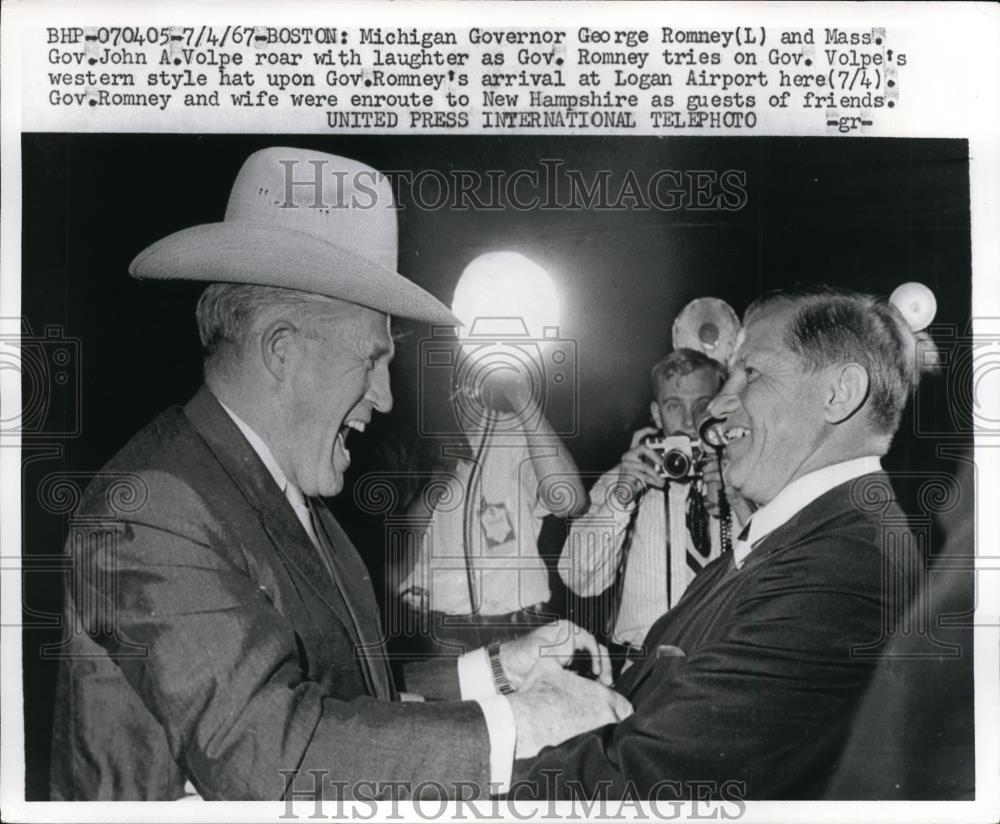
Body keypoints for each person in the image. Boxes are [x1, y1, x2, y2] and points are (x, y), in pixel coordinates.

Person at [48, 147, 631, 801]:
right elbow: (266, 753)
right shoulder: (151, 508)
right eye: (372, 359)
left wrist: (493, 672)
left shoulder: (300, 507)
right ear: (283, 351)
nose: (384, 397)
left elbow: (347, 703)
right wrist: (519, 724)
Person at [513, 286, 929, 799]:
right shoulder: (800, 534)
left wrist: (474, 762)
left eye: (750, 373)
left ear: (838, 393)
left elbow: (648, 780)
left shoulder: (846, 566)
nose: (714, 412)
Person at [558, 348, 749, 650]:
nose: (688, 421)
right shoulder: (621, 480)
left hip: (720, 664)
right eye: (674, 406)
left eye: (701, 405)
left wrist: (737, 501)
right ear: (657, 413)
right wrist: (620, 500)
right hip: (643, 666)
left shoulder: (742, 477)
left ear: (717, 409)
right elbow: (578, 580)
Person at [397, 360, 587, 654]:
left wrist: (522, 398)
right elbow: (400, 544)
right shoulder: (417, 440)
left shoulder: (511, 432)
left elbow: (569, 500)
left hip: (511, 628)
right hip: (437, 631)